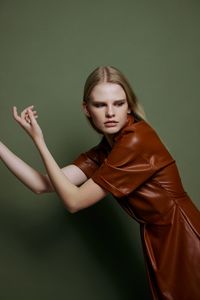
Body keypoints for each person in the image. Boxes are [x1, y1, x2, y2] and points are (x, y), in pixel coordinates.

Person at [0, 66, 200, 299]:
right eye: (100, 105)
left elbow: (74, 202)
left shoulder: (135, 142)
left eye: (118, 103)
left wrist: (39, 141)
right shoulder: (108, 149)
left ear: (129, 105)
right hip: (162, 239)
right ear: (86, 109)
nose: (110, 113)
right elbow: (42, 184)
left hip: (183, 239)